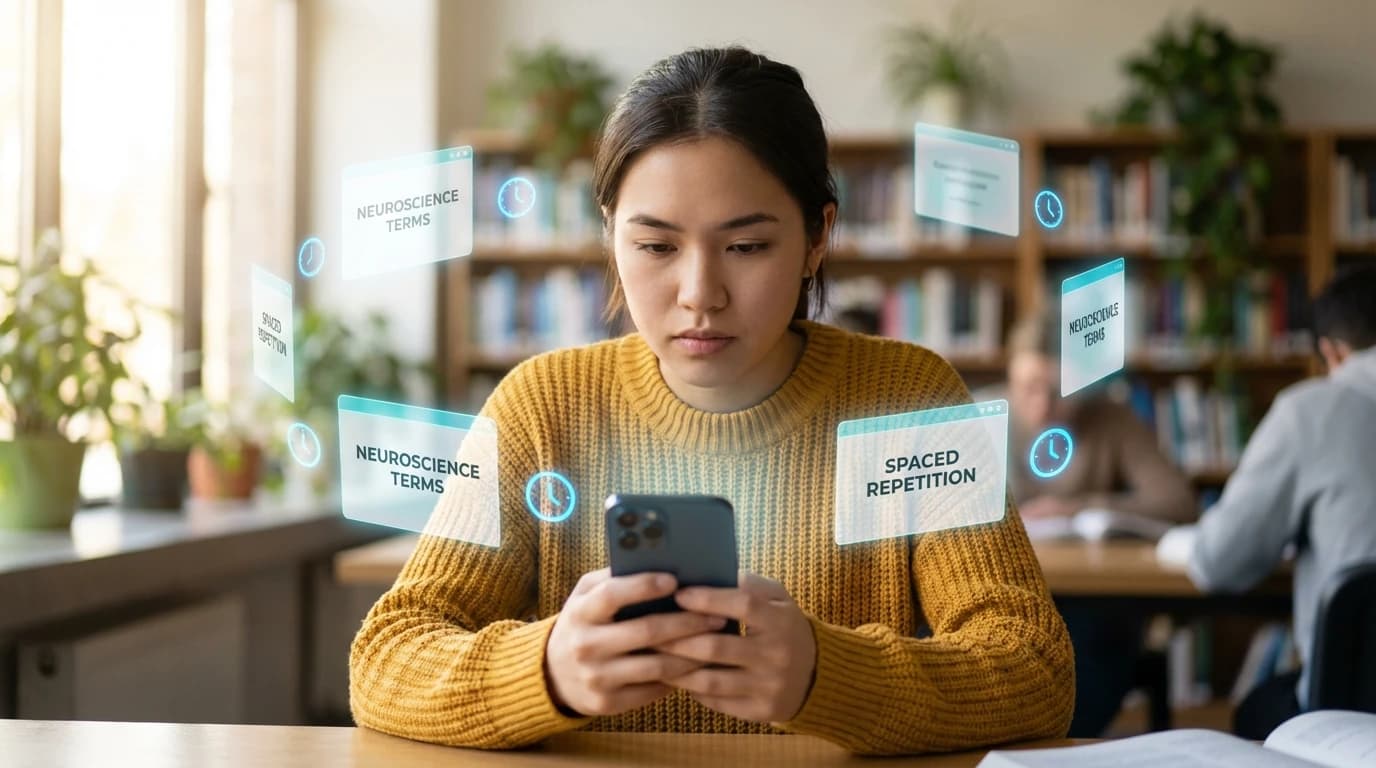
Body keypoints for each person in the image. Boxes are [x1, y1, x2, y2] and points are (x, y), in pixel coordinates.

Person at [349, 47, 1073, 755]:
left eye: (747, 246)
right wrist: (545, 671)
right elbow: (386, 657)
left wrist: (828, 675)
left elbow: (1034, 668)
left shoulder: (910, 403)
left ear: (818, 236)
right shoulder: (541, 407)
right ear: (610, 235)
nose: (700, 294)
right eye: (657, 247)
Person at [1186, 266, 1376, 739]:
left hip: (1351, 715)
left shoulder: (1309, 412)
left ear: (1331, 350)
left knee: (1254, 712)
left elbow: (1217, 562)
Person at [1000, 313, 1194, 737]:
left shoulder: (1113, 419)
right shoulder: (983, 413)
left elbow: (1178, 501)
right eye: (1028, 388)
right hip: (1007, 593)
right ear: (1010, 381)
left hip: (1092, 601)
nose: (1042, 405)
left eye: (1057, 391)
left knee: (1090, 648)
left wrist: (1074, 507)